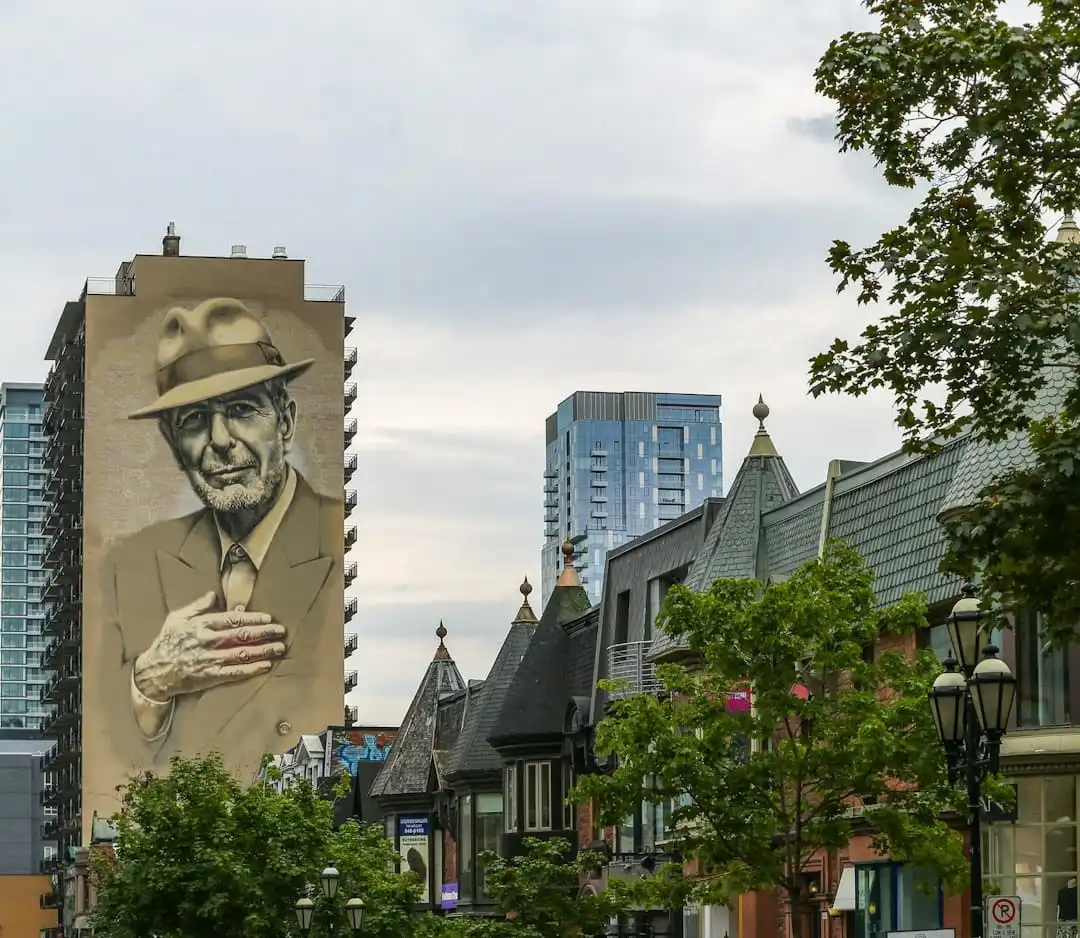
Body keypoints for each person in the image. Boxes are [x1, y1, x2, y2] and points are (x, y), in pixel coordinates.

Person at [98, 297, 343, 774]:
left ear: (286, 423)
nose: (220, 440)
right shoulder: (131, 565)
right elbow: (113, 756)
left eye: (242, 409)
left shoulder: (338, 542)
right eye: (193, 420)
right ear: (173, 444)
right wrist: (149, 684)